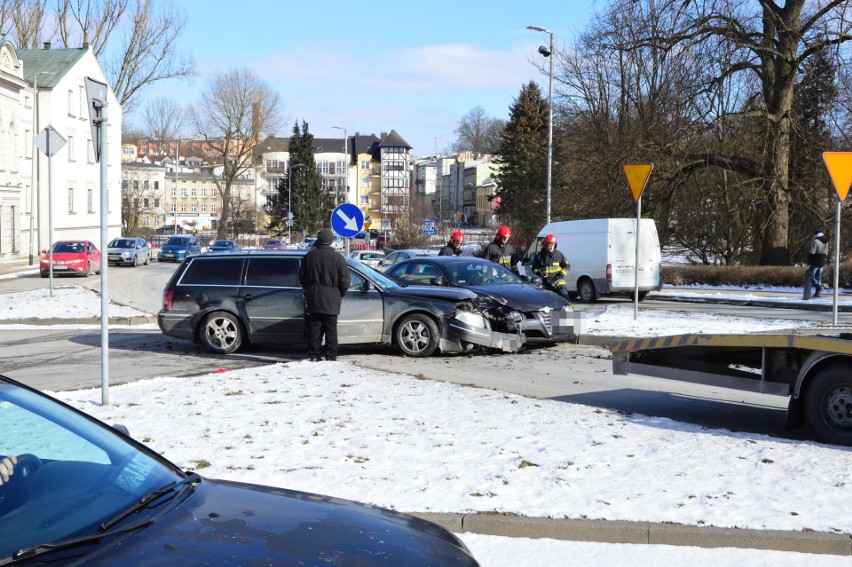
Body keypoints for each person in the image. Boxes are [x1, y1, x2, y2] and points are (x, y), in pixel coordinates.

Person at [299, 228, 351, 361]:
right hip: (332, 298)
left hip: (313, 297)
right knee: (331, 329)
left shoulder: (309, 257)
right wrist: (339, 294)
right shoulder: (338, 258)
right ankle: (330, 356)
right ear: (331, 241)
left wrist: (309, 290)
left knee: (314, 328)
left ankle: (314, 355)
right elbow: (345, 280)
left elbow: (302, 278)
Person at [531, 234, 572, 301]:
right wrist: (541, 273)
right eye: (549, 245)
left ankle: (568, 308)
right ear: (545, 245)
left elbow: (567, 266)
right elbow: (534, 269)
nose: (551, 246)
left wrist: (560, 275)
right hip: (545, 282)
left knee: (564, 294)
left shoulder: (558, 254)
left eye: (553, 244)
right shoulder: (539, 256)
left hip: (557, 280)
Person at [807, 229, 829, 298]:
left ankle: (819, 287)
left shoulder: (815, 241)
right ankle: (818, 293)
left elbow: (812, 252)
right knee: (818, 276)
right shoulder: (826, 242)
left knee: (810, 275)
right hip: (822, 261)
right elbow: (826, 252)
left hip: (815, 261)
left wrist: (809, 259)